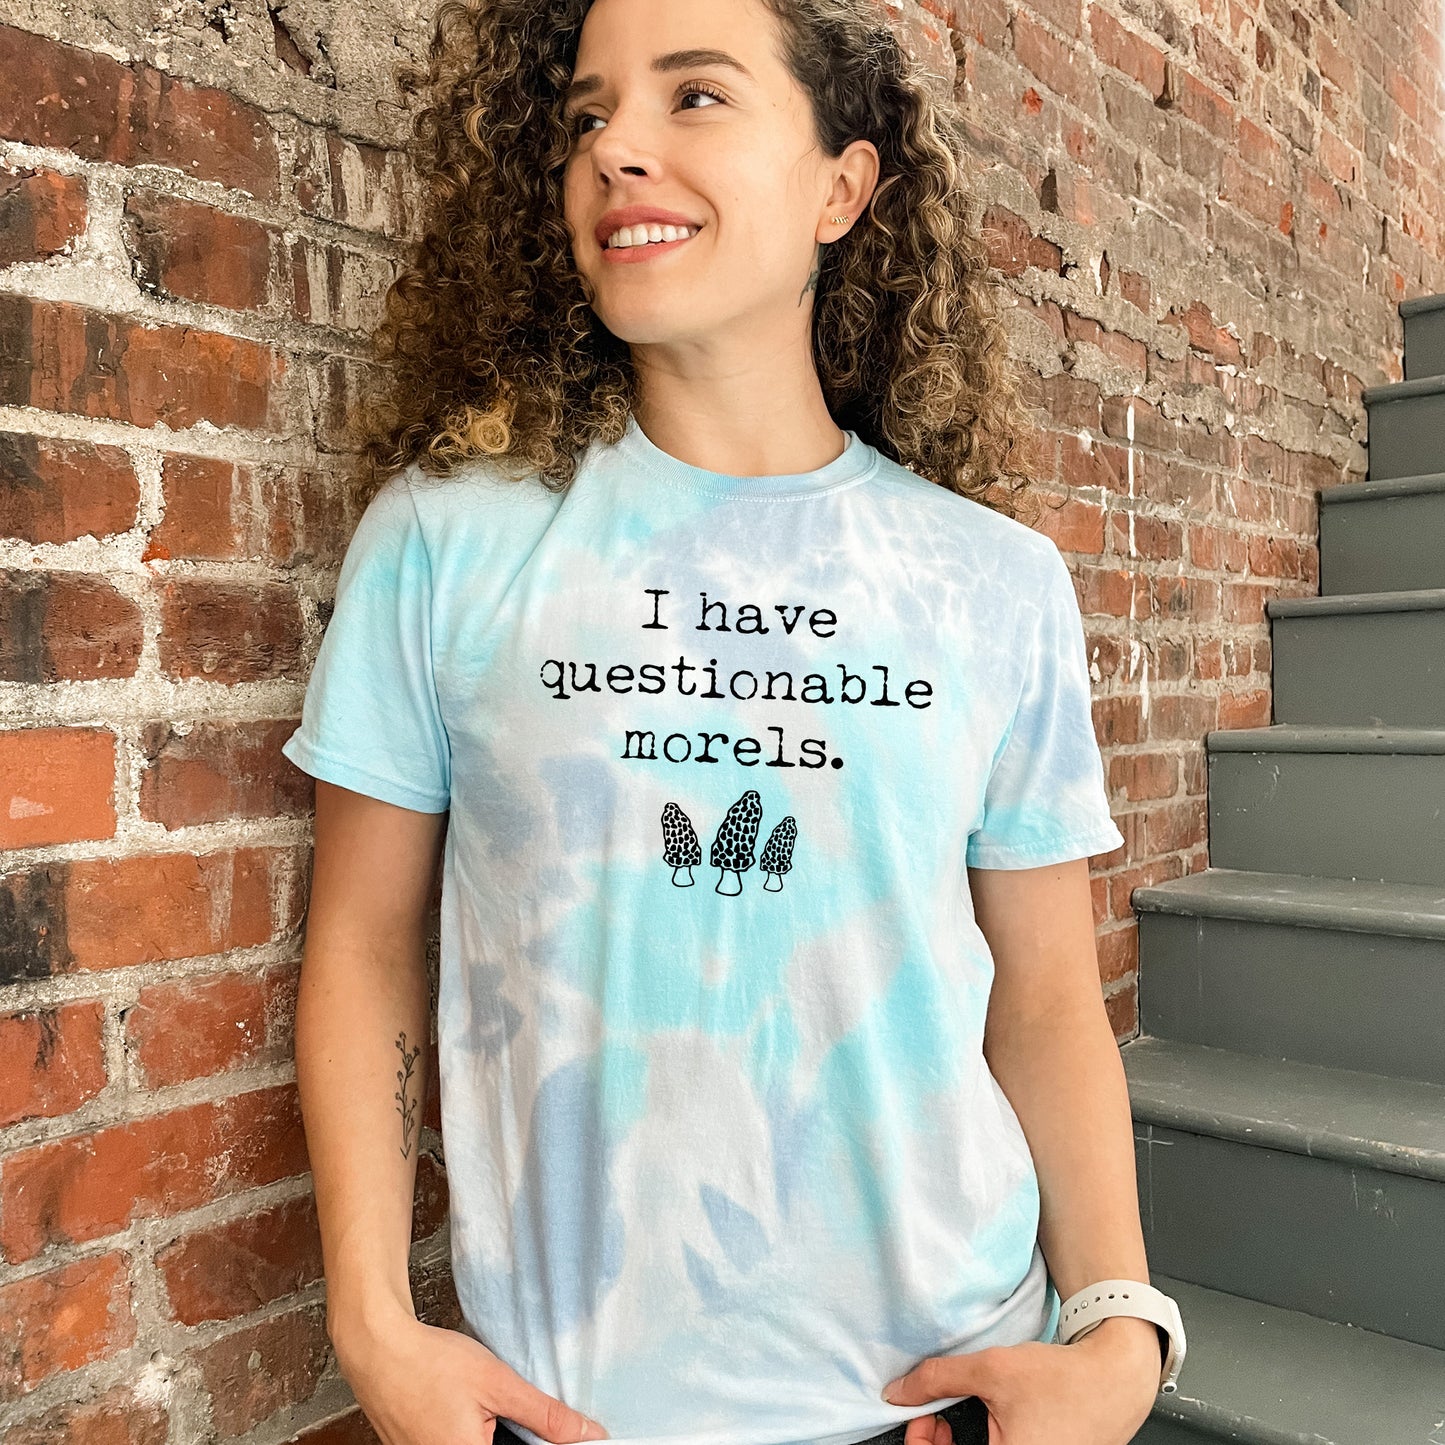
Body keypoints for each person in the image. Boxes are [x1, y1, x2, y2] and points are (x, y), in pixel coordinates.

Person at [281, 1, 1172, 1443]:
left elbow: (1047, 1000)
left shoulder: (992, 581)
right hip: (569, 1411)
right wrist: (374, 1323)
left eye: (694, 98)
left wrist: (1119, 1328)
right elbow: (368, 943)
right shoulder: (446, 540)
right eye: (585, 117)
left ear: (841, 186)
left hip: (947, 1400)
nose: (615, 149)